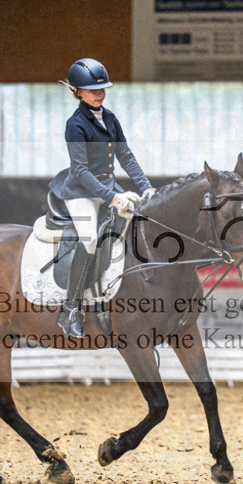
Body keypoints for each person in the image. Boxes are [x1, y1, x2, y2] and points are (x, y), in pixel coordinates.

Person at [48, 58, 155, 339]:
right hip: (81, 192)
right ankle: (70, 309)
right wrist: (113, 197)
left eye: (102, 89)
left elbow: (125, 156)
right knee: (90, 239)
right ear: (77, 92)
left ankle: (107, 298)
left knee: (131, 230)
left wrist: (146, 187)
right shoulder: (75, 124)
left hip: (108, 188)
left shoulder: (110, 118)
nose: (99, 94)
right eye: (92, 90)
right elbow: (80, 170)